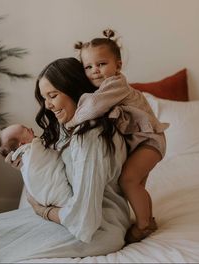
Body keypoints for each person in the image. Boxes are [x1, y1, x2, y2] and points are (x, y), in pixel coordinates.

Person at [0, 57, 130, 263]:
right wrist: (27, 164)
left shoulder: (90, 138)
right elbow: (56, 174)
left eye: (53, 95)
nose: (48, 105)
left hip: (98, 230)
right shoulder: (70, 127)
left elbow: (84, 220)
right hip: (74, 218)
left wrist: (42, 211)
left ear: (73, 90)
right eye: (45, 98)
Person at [67, 29, 169, 243]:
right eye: (88, 67)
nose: (95, 70)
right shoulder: (106, 87)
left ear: (118, 65)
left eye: (101, 64)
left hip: (149, 141)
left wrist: (71, 123)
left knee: (128, 180)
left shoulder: (115, 85)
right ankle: (148, 219)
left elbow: (94, 106)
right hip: (142, 142)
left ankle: (142, 226)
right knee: (136, 184)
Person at [0, 124, 72, 207]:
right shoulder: (34, 148)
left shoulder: (26, 155)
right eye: (27, 130)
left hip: (43, 199)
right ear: (21, 145)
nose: (31, 128)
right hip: (60, 196)